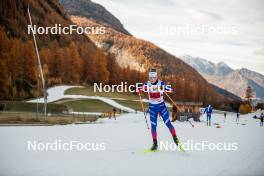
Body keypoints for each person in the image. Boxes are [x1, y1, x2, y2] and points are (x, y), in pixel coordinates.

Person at [138, 68, 179, 151]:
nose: (152, 79)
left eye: (153, 77)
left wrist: (163, 88)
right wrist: (139, 89)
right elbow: (139, 89)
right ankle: (155, 143)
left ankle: (175, 138)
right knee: (153, 125)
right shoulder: (147, 84)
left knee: (168, 123)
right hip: (152, 108)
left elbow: (170, 89)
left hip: (161, 107)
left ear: (156, 77)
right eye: (150, 78)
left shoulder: (161, 83)